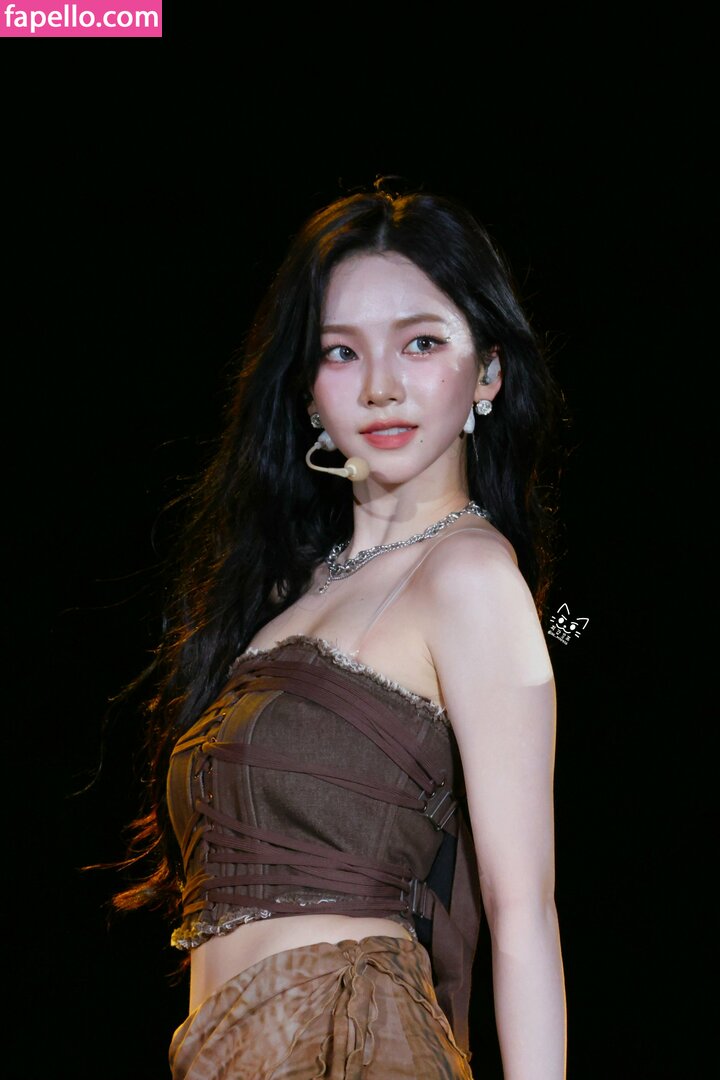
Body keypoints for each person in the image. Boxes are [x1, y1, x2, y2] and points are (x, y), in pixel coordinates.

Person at [112, 181, 567, 1078]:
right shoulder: (285, 595)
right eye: (341, 352)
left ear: (488, 373)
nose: (382, 386)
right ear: (309, 390)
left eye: (422, 343)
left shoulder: (470, 578)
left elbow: (524, 913)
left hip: (357, 1045)